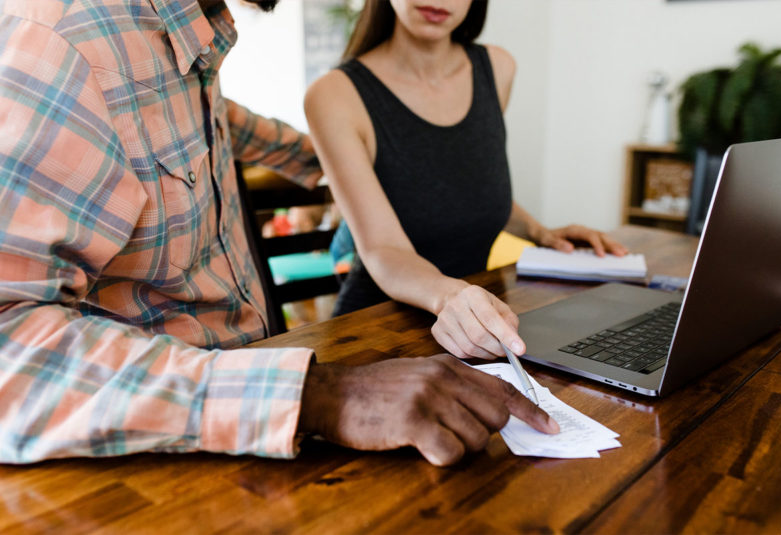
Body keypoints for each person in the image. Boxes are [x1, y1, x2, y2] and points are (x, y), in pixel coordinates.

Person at [0, 0, 558, 468]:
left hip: (269, 409)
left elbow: (306, 147)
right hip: (147, 459)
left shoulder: (188, 50)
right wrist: (314, 396)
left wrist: (366, 157)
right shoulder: (59, 46)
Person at [305, 0, 628, 362]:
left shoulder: (497, 68)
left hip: (478, 328)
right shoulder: (333, 95)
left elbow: (465, 185)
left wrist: (541, 233)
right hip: (377, 337)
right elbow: (383, 249)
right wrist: (452, 297)